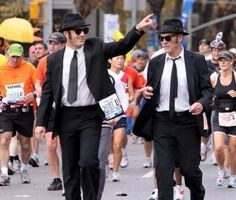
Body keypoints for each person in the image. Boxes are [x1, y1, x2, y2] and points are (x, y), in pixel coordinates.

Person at [35, 12, 153, 200]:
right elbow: (48, 92)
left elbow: (121, 46)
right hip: (66, 117)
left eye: (85, 30)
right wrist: (41, 122)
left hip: (90, 115)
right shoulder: (54, 60)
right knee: (71, 166)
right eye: (78, 31)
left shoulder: (95, 47)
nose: (83, 34)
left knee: (90, 162)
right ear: (67, 34)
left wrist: (137, 29)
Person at [133, 18, 213, 200]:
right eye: (161, 38)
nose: (164, 42)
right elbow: (150, 89)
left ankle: (197, 192)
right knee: (163, 169)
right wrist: (144, 92)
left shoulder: (197, 60)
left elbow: (208, 91)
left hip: (188, 121)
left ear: (179, 38)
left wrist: (201, 103)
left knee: (189, 170)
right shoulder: (156, 62)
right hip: (162, 121)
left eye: (168, 38)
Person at [0, 43, 36, 185]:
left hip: (24, 110)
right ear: (7, 55)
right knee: (4, 140)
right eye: (13, 56)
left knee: (25, 144)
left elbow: (39, 87)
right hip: (6, 110)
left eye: (18, 57)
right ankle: (3, 173)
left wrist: (32, 94)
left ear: (23, 56)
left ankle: (24, 168)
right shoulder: (1, 69)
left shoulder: (29, 68)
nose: (15, 60)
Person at [35, 32, 66, 191]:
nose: (53, 46)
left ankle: (70, 176)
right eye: (51, 43)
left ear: (63, 44)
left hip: (67, 108)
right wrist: (39, 90)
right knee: (50, 144)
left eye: (56, 43)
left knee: (64, 146)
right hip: (51, 108)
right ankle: (56, 178)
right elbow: (38, 82)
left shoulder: (69, 59)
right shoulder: (44, 62)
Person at [210, 51, 236, 188]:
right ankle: (221, 169)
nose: (223, 62)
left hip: (235, 117)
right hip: (219, 116)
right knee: (219, 147)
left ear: (232, 62)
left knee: (232, 148)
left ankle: (233, 176)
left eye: (226, 60)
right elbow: (207, 93)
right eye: (220, 60)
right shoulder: (214, 77)